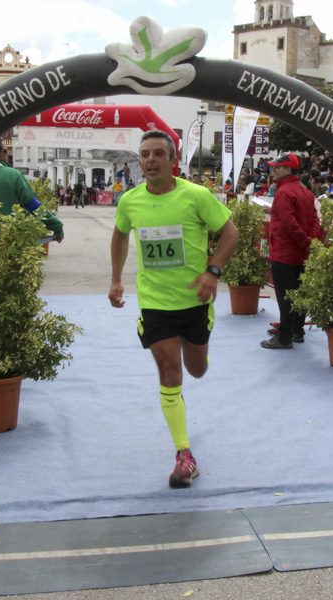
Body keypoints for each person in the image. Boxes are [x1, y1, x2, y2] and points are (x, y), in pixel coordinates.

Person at [108, 131, 238, 488]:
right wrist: (117, 279)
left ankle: (195, 351)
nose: (150, 160)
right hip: (155, 304)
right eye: (145, 154)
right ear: (140, 161)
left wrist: (213, 272)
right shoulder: (130, 201)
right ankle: (184, 455)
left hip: (194, 301)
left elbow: (230, 233)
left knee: (196, 370)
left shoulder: (195, 196)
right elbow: (120, 235)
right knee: (170, 371)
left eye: (158, 154)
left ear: (172, 159)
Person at [260, 153, 322, 350]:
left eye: (278, 167)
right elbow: (315, 221)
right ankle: (296, 330)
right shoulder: (306, 192)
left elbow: (289, 224)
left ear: (288, 169)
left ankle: (285, 336)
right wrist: (309, 243)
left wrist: (305, 242)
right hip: (301, 252)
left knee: (286, 295)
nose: (274, 170)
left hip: (285, 251)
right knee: (298, 293)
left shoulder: (284, 192)